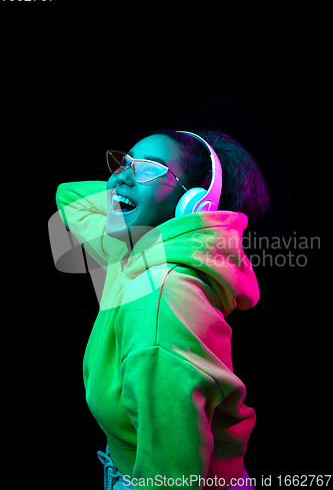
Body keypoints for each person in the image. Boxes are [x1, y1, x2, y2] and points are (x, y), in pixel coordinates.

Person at [55, 129, 270, 489]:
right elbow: (70, 196)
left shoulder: (161, 301)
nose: (120, 175)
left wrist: (127, 192)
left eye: (147, 169)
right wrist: (129, 186)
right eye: (124, 163)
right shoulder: (126, 250)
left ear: (192, 204)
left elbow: (172, 478)